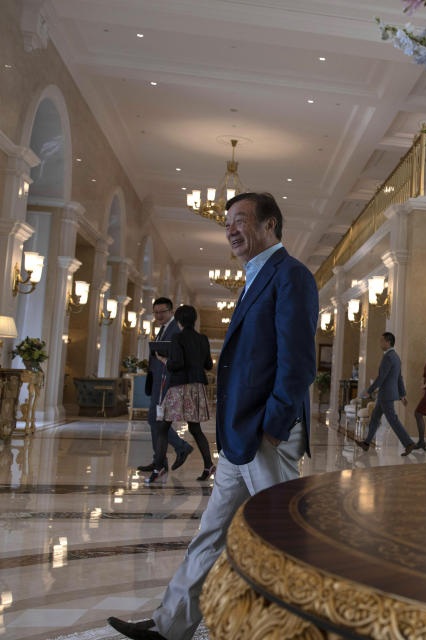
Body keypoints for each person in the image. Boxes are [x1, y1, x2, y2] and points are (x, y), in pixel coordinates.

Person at [108, 192, 318, 640]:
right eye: (227, 224)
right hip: (241, 434)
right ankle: (170, 626)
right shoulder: (252, 280)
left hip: (265, 435)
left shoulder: (291, 276)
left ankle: (307, 629)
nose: (231, 230)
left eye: (241, 220)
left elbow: (298, 363)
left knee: (282, 543)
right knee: (210, 533)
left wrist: (274, 427)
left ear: (270, 226)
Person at [148, 305, 216, 483]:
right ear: (194, 320)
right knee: (195, 429)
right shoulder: (202, 338)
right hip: (196, 386)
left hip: (179, 386)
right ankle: (209, 465)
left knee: (162, 427)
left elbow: (176, 364)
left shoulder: (178, 337)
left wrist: (163, 359)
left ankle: (159, 467)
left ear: (178, 321)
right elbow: (208, 365)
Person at [137, 297, 193, 475]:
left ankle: (180, 448)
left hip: (166, 380)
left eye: (162, 312)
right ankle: (159, 461)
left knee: (155, 420)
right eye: (156, 312)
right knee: (156, 420)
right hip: (157, 379)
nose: (159, 315)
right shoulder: (163, 329)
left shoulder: (175, 330)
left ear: (171, 312)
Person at [358, 332, 416, 456]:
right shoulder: (396, 357)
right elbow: (399, 378)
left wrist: (370, 390)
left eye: (381, 341)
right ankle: (367, 443)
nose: (380, 343)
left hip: (386, 395)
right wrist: (402, 394)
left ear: (388, 342)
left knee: (393, 420)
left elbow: (381, 377)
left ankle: (409, 443)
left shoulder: (388, 357)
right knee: (374, 417)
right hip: (386, 394)